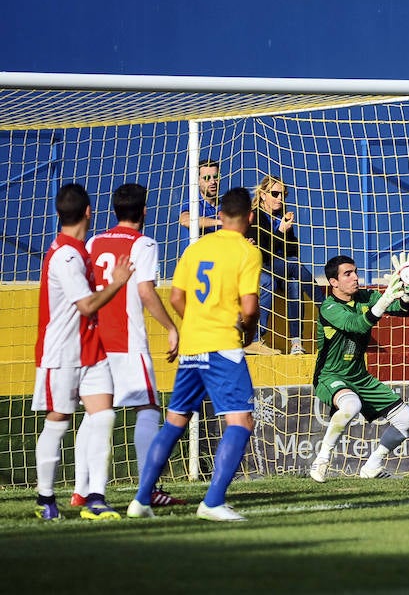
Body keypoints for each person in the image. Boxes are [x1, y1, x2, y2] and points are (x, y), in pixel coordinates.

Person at [127, 187, 262, 521]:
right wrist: (246, 327)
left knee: (175, 419)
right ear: (250, 217)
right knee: (240, 420)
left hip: (191, 345)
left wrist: (197, 322)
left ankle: (141, 500)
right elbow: (250, 306)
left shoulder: (198, 246)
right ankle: (213, 502)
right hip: (222, 347)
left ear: (219, 216)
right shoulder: (247, 252)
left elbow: (175, 297)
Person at [70, 184, 184, 509]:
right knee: (147, 409)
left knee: (94, 415)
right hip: (128, 342)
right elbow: (146, 292)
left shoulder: (93, 242)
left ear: (114, 210)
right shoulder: (144, 243)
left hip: (95, 341)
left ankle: (81, 490)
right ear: (144, 211)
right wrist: (171, 327)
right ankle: (148, 489)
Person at [32, 183, 134, 521]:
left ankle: (95, 498)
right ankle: (45, 498)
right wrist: (117, 282)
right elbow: (87, 303)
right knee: (58, 421)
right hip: (62, 352)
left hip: (92, 348)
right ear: (88, 212)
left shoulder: (78, 250)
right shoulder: (65, 255)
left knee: (103, 416)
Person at [308, 253, 409, 482]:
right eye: (347, 274)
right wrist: (384, 301)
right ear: (334, 282)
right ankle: (321, 461)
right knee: (351, 404)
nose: (355, 277)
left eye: (355, 272)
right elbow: (357, 326)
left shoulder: (365, 296)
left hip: (359, 376)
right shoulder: (328, 307)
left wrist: (408, 292)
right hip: (331, 376)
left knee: (406, 419)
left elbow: (402, 310)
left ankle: (372, 466)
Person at [245, 174, 306, 355]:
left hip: (282, 268)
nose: (280, 198)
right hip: (262, 267)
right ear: (263, 194)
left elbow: (293, 249)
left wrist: (283, 232)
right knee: (269, 281)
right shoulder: (254, 216)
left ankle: (296, 342)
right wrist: (280, 232)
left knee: (295, 282)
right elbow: (262, 252)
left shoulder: (283, 218)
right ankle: (255, 338)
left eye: (283, 195)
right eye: (275, 193)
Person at [178, 159, 222, 254]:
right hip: (192, 264)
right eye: (206, 178)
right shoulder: (192, 203)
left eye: (216, 177)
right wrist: (220, 222)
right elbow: (185, 220)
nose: (213, 182)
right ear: (197, 181)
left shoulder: (226, 207)